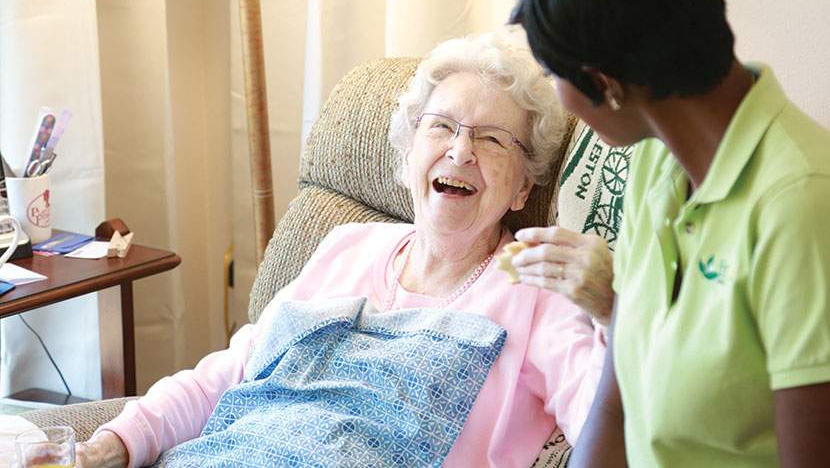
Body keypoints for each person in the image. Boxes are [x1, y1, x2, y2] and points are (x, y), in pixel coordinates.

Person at [509, 0, 830, 468]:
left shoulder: (810, 212)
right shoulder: (655, 165)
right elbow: (617, 406)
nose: (559, 97)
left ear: (605, 83)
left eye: (553, 74)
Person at [75, 29, 611, 468]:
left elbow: (610, 431)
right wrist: (115, 443)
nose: (461, 150)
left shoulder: (537, 287)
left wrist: (615, 311)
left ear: (523, 189)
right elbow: (230, 373)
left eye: (492, 138)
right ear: (406, 156)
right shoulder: (347, 245)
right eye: (442, 127)